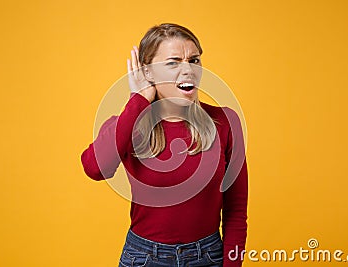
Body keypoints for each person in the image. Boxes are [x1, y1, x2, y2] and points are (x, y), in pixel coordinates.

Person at [81, 23, 248, 267]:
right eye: (173, 62)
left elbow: (236, 211)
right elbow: (95, 168)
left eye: (194, 60)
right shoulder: (127, 124)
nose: (188, 70)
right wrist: (138, 100)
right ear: (147, 72)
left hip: (209, 256)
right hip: (144, 258)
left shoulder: (225, 121)